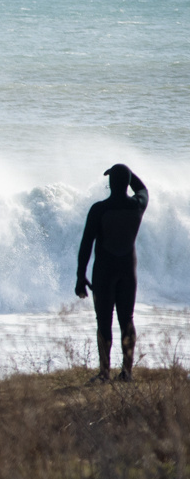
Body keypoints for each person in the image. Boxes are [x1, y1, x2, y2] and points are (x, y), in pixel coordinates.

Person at [75, 163, 148, 382]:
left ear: (109, 183)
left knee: (104, 321)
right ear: (127, 183)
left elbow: (86, 244)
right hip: (128, 272)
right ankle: (127, 373)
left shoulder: (99, 209)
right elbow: (143, 189)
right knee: (127, 320)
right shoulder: (137, 205)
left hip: (104, 273)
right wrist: (128, 174)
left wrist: (80, 276)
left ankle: (104, 373)